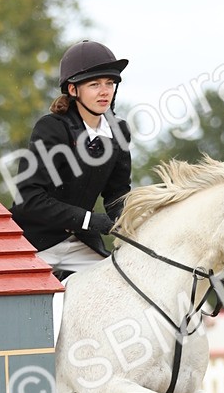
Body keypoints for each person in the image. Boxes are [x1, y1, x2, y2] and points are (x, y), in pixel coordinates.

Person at [10, 39, 132, 283]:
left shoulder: (118, 131)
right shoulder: (52, 128)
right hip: (36, 241)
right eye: (95, 84)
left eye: (109, 83)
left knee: (120, 284)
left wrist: (129, 219)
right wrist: (87, 219)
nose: (105, 91)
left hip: (81, 245)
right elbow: (29, 199)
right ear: (73, 90)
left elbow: (117, 193)